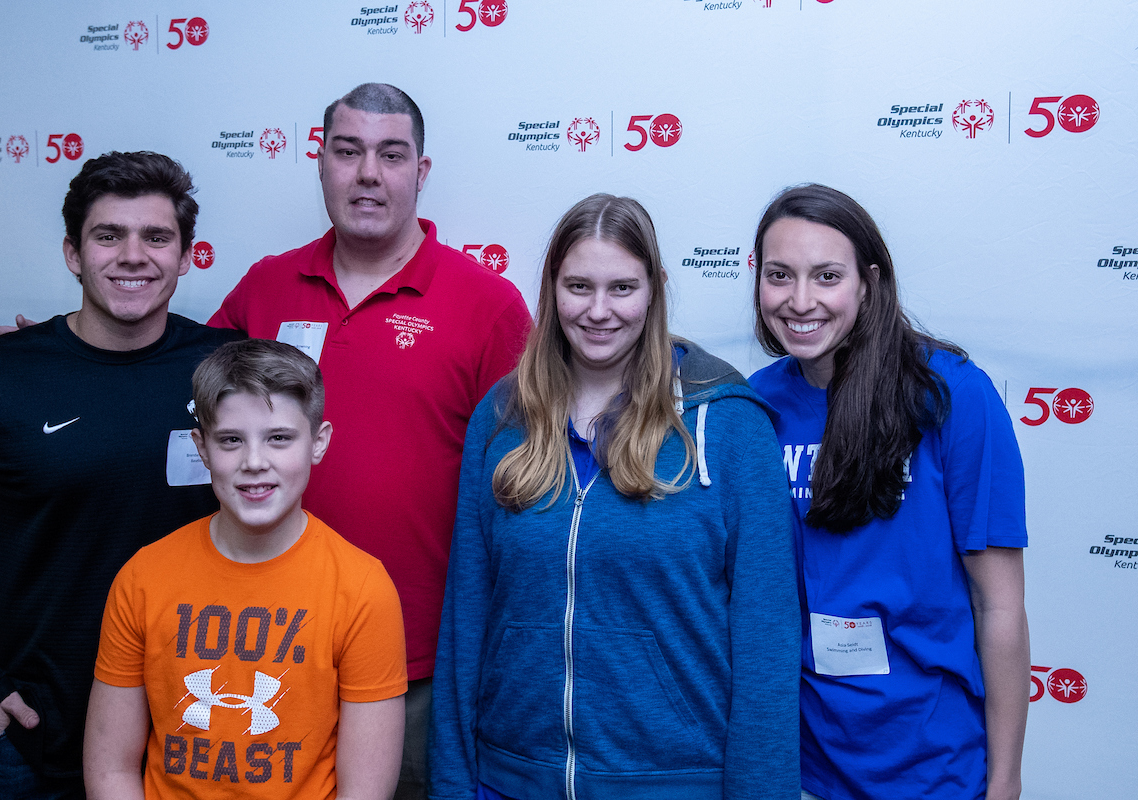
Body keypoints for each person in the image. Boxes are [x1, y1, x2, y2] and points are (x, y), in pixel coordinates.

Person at [207, 83, 532, 799]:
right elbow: (174, 395)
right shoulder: (265, 286)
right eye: (347, 151)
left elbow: (529, 487)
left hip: (418, 663)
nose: (367, 174)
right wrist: (64, 352)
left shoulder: (487, 304)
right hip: (268, 647)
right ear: (319, 162)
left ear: (420, 171)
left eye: (391, 155)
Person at [429, 194, 799, 800]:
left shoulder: (729, 426)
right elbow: (466, 619)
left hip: (674, 784)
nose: (599, 311)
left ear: (655, 289)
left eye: (622, 288)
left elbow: (765, 643)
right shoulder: (499, 420)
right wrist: (451, 785)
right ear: (550, 289)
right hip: (511, 780)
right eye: (579, 286)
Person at [0, 151, 244, 798]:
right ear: (73, 253)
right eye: (108, 235)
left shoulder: (228, 374)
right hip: (29, 746)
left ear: (187, 255)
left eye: (156, 237)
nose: (133, 255)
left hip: (193, 735)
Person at [746, 184, 1030, 800]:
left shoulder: (951, 397)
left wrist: (1005, 783)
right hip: (800, 767)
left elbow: (999, 605)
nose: (800, 301)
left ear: (869, 282)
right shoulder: (754, 408)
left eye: (826, 276)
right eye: (779, 276)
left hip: (934, 766)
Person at [84, 338, 408, 800]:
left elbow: (365, 791)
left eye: (279, 438)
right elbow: (110, 769)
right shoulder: (143, 577)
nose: (255, 463)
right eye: (231, 440)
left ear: (318, 443)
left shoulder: (362, 589)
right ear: (201, 447)